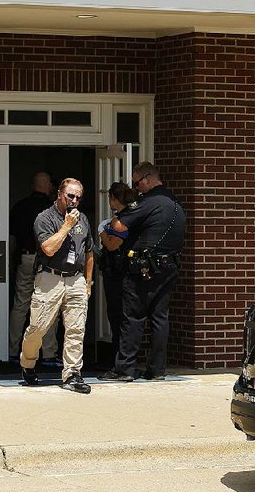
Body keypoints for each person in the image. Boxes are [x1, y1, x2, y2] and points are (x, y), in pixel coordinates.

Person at [99, 162, 185, 382]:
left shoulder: (148, 202)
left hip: (143, 269)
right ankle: (157, 369)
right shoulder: (176, 204)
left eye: (137, 184)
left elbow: (118, 228)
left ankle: (124, 369)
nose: (136, 189)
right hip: (168, 267)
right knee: (160, 317)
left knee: (132, 317)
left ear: (147, 179)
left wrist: (111, 223)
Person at [20, 178, 94, 394]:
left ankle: (72, 374)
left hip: (76, 279)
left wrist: (88, 282)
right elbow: (48, 248)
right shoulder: (44, 218)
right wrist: (67, 226)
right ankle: (28, 363)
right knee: (38, 328)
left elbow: (89, 252)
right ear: (60, 194)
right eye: (71, 196)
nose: (74, 201)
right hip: (49, 278)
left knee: (76, 328)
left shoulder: (84, 220)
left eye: (78, 197)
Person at [8, 172, 60, 365]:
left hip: (25, 257)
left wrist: (13, 261)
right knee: (48, 305)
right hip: (46, 260)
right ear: (48, 187)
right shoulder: (52, 209)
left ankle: (13, 350)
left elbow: (11, 238)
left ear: (33, 185)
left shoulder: (20, 206)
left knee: (21, 303)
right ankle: (48, 353)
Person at [98, 182, 136, 361]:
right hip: (117, 271)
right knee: (117, 316)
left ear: (114, 199)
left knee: (118, 316)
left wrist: (102, 231)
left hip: (119, 273)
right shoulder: (130, 215)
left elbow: (112, 245)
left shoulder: (123, 219)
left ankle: (119, 360)